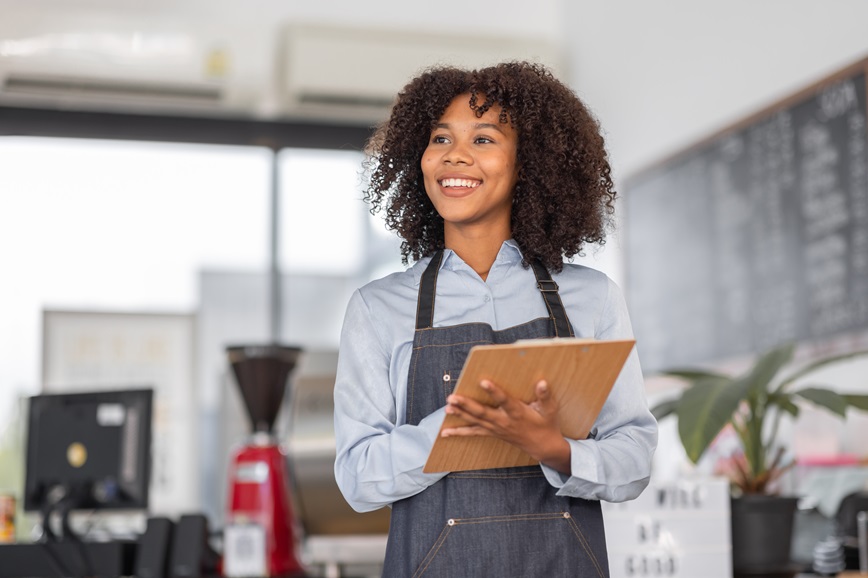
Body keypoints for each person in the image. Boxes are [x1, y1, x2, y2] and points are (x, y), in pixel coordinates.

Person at [333, 61, 657, 577]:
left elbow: (634, 460)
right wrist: (459, 426)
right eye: (440, 137)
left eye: (483, 139)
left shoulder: (591, 297)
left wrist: (554, 449)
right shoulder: (378, 308)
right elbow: (357, 479)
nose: (454, 154)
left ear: (527, 164)